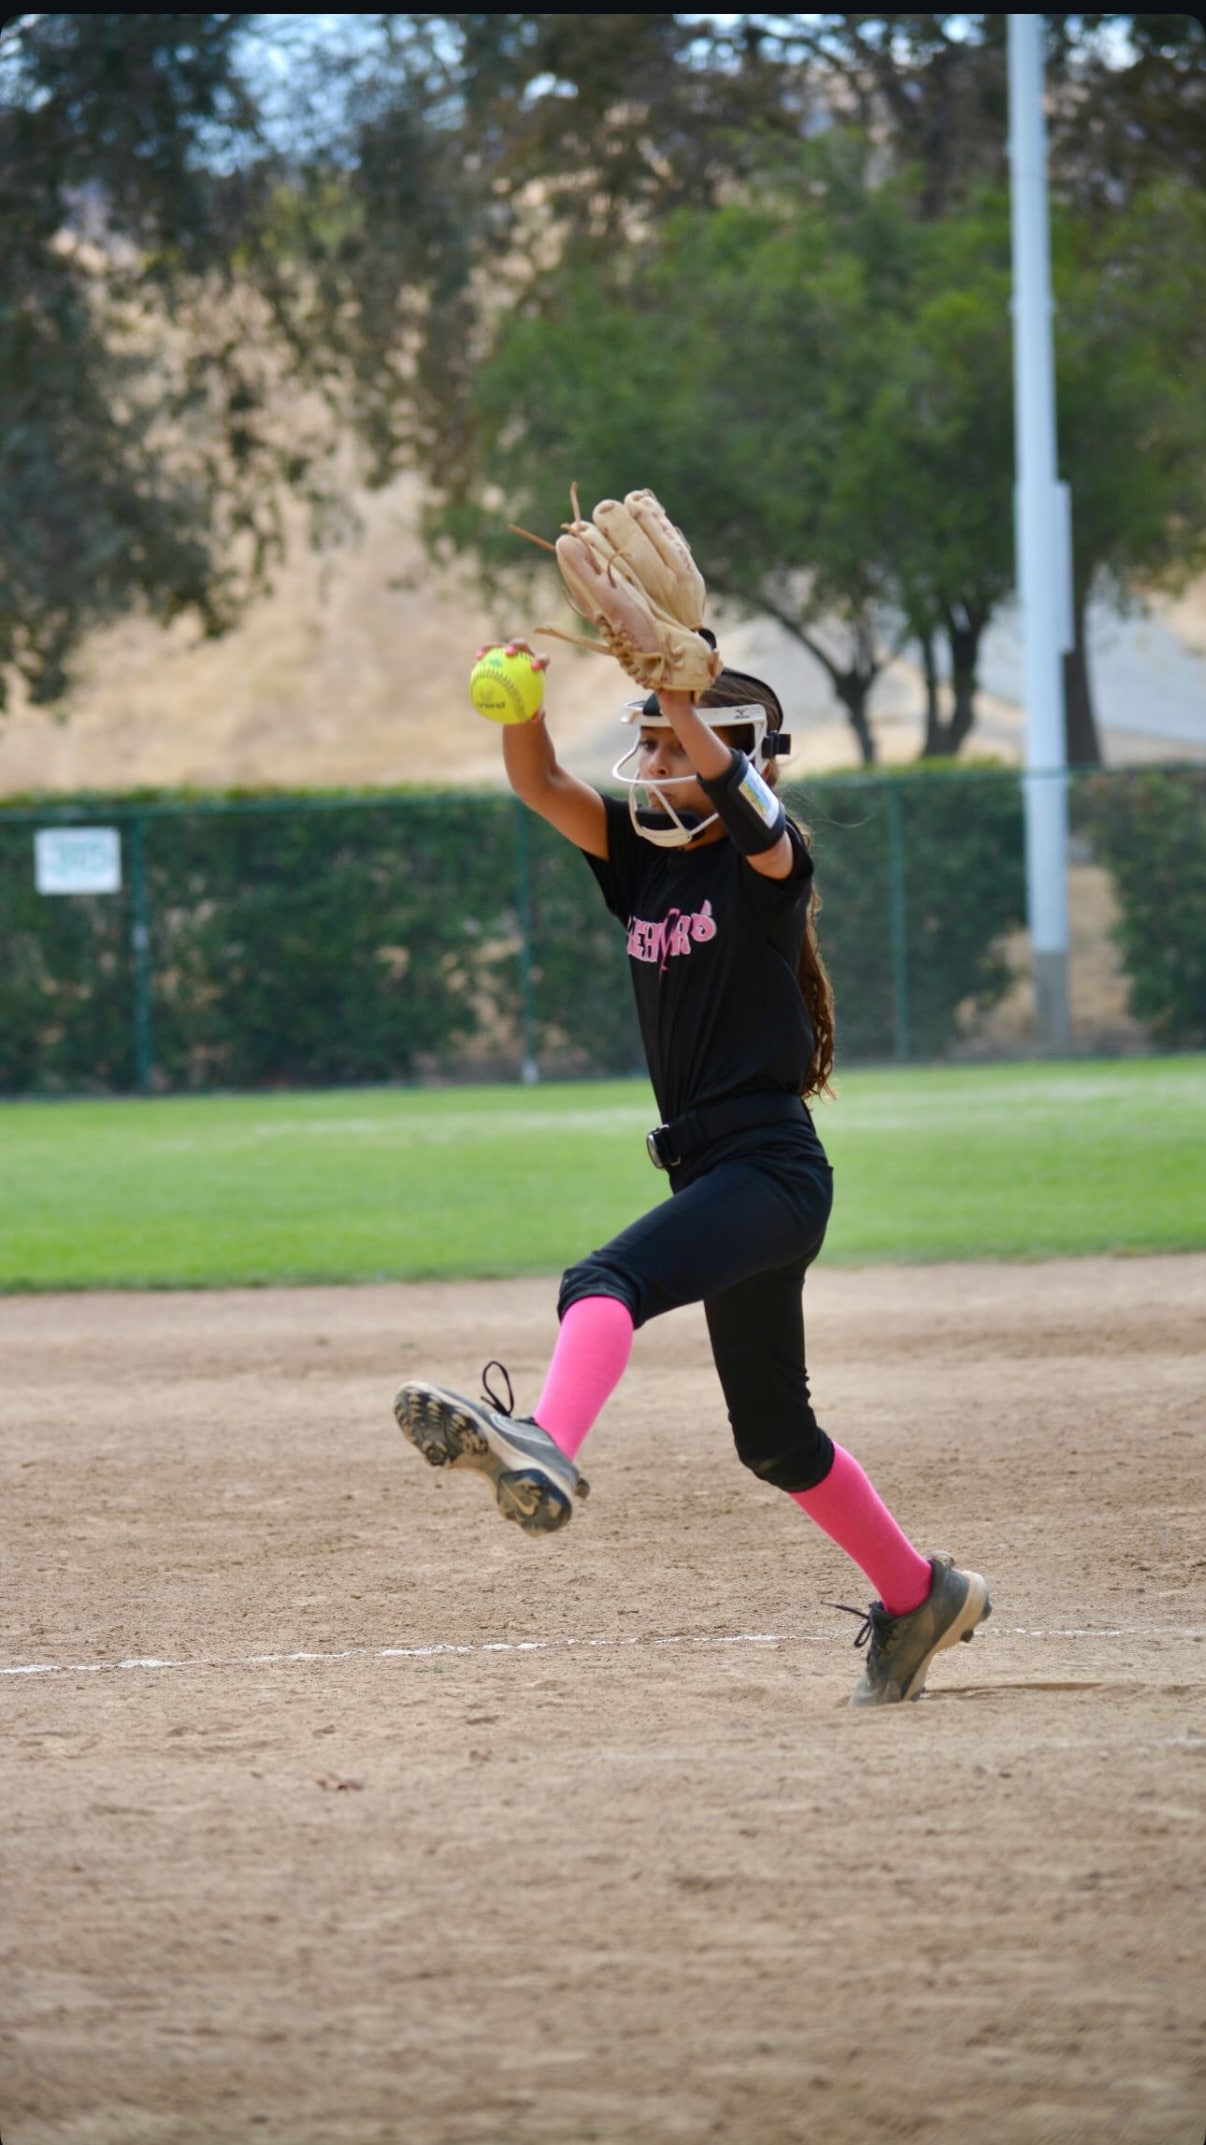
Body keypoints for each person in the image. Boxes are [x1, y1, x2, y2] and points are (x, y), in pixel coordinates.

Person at [395, 643, 991, 1706]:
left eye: (670, 738)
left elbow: (758, 825)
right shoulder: (646, 858)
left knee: (600, 1284)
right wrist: (519, 703)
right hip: (713, 1172)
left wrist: (689, 698)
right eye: (651, 736)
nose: (651, 752)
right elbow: (538, 783)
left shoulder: (769, 862)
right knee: (773, 1439)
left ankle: (547, 1445)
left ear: (737, 752)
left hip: (769, 1167)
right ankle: (919, 1597)